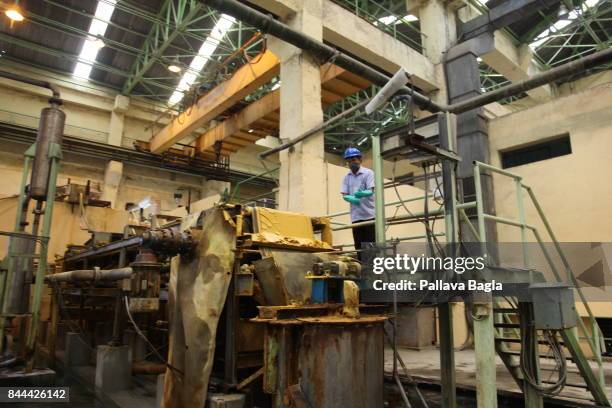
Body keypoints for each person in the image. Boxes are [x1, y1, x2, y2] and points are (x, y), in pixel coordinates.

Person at [340, 147, 376, 260]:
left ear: (360, 159)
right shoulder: (347, 177)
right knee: (359, 247)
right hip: (355, 217)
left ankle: (373, 271)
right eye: (349, 161)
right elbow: (345, 194)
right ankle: (363, 270)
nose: (351, 163)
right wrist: (350, 198)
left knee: (370, 245)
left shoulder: (368, 173)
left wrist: (363, 193)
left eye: (353, 159)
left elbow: (371, 190)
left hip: (369, 215)